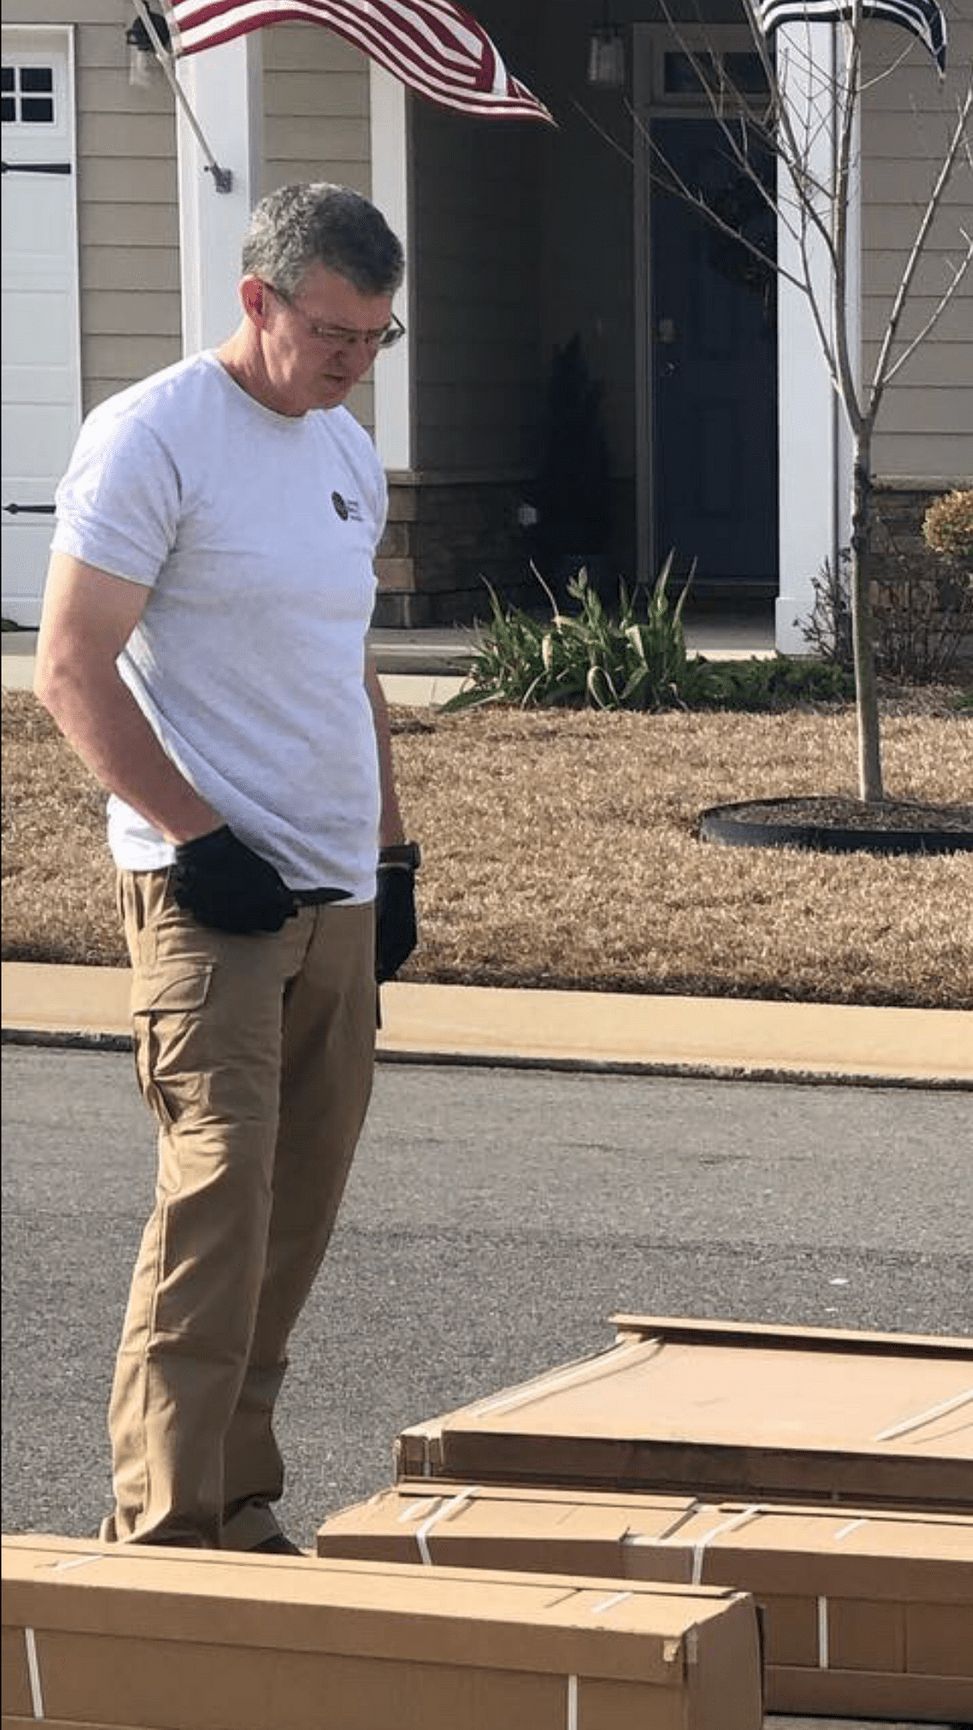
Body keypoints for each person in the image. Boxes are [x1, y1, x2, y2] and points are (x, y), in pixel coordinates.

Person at [34, 182, 420, 1554]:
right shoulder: (151, 437)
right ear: (256, 301)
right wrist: (195, 837)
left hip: (332, 893)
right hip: (207, 896)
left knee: (296, 1216)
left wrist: (390, 849)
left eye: (377, 337)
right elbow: (70, 666)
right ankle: (164, 1526)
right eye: (332, 332)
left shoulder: (344, 452)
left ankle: (239, 1502)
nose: (352, 362)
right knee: (217, 1199)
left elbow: (348, 665)